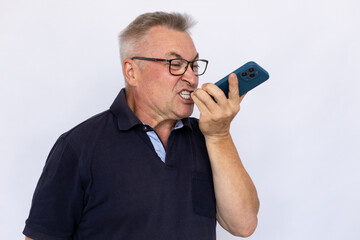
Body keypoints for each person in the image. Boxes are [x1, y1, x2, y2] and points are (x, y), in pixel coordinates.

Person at [23, 11, 259, 240]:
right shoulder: (77, 147)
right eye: (175, 64)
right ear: (131, 72)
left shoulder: (209, 137)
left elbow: (244, 225)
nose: (192, 77)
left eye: (194, 65)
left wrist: (219, 136)